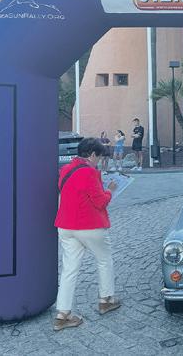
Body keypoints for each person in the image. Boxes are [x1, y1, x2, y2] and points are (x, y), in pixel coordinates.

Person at [53, 138, 120, 331]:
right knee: (104, 260)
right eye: (98, 157)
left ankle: (62, 315)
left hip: (66, 226)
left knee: (69, 270)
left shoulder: (66, 169)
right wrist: (110, 191)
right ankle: (106, 300)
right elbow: (100, 202)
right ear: (92, 155)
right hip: (89, 225)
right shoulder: (89, 172)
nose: (99, 161)